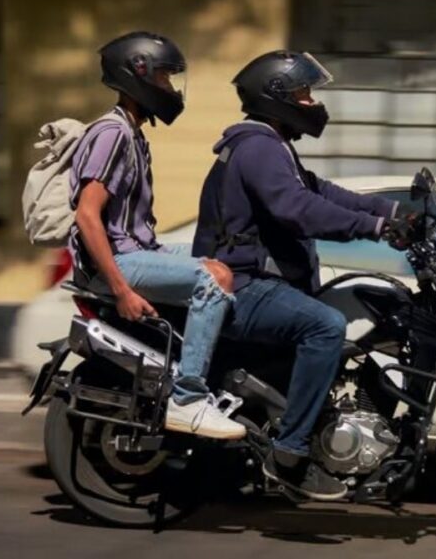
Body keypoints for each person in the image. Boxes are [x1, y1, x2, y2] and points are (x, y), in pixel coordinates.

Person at [193, 51, 402, 498]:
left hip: (256, 281)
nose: (313, 103)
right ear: (277, 97)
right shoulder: (259, 148)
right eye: (304, 94)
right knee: (325, 326)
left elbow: (320, 191)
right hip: (243, 286)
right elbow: (298, 209)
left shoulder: (272, 145)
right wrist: (374, 228)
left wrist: (392, 210)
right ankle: (290, 453)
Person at [69, 31, 245, 440]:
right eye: (165, 77)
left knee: (221, 257)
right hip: (117, 262)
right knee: (213, 278)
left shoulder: (132, 133)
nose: (170, 87)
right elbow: (87, 215)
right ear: (139, 75)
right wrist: (121, 290)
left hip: (139, 249)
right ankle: (188, 398)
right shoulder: (112, 133)